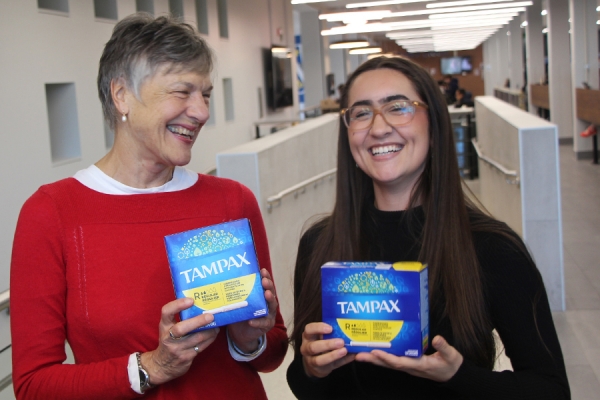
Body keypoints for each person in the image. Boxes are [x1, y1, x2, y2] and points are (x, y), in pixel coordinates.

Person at [10, 13, 287, 399]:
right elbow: (33, 385)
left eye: (205, 94)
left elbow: (272, 352)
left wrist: (248, 339)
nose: (202, 112)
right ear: (121, 94)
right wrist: (149, 368)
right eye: (182, 92)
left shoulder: (232, 200)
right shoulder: (53, 213)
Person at [286, 56, 570, 399]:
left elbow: (550, 388)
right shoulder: (320, 245)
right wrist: (312, 369)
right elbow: (304, 384)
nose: (378, 128)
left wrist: (458, 376)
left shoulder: (493, 248)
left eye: (398, 107)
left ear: (434, 125)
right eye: (361, 113)